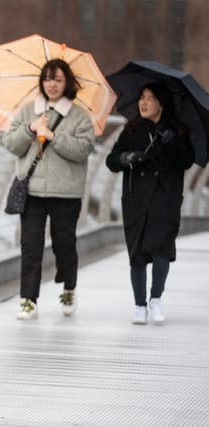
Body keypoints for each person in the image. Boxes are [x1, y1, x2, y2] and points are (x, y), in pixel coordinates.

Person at [2, 58, 95, 321]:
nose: (51, 84)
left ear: (67, 83)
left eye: (57, 79)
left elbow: (82, 150)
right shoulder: (28, 111)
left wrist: (54, 137)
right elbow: (10, 143)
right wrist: (31, 129)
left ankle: (68, 289)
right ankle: (28, 299)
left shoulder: (79, 116)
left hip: (65, 194)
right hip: (32, 192)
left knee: (64, 245)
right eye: (47, 78)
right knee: (30, 246)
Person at [105, 82, 194, 325]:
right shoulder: (131, 131)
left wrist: (172, 142)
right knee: (137, 253)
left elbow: (187, 161)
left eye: (150, 98)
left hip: (165, 198)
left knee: (161, 248)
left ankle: (156, 299)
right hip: (136, 200)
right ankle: (139, 305)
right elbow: (111, 161)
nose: (143, 103)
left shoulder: (178, 131)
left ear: (161, 103)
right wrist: (127, 157)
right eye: (142, 98)